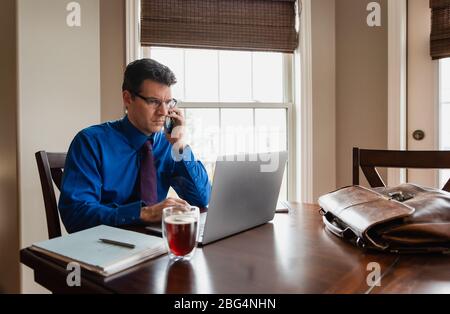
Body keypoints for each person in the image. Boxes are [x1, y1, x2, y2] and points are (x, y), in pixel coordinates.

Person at [59, 59, 211, 233]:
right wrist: (143, 213)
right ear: (127, 98)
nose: (163, 112)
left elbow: (201, 198)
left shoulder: (169, 145)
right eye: (153, 101)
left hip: (154, 244)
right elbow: (75, 215)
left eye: (168, 102)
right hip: (103, 246)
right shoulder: (90, 142)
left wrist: (180, 145)